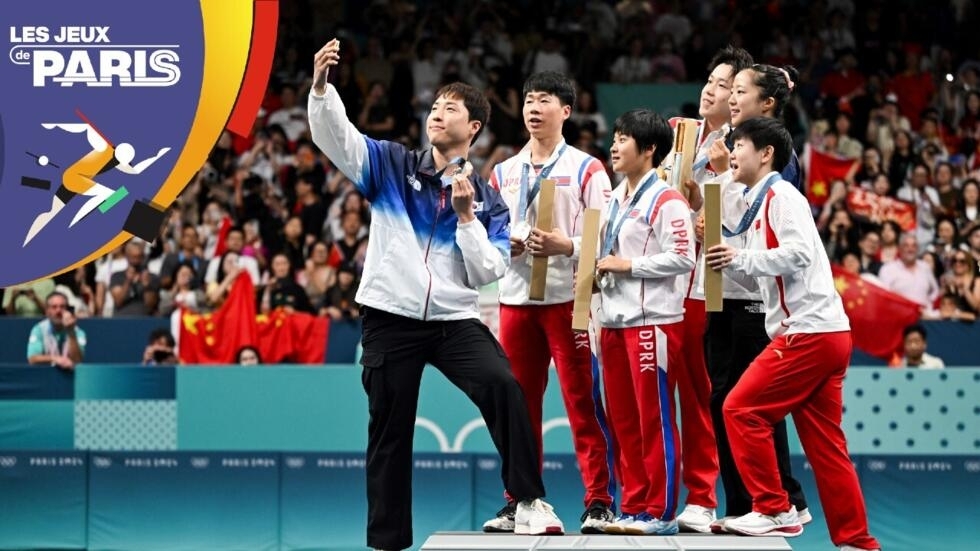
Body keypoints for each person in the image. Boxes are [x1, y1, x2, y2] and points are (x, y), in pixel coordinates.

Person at [308, 38, 563, 551]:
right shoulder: (391, 165)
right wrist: (320, 88)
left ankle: (529, 502)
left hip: (453, 320)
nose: (437, 114)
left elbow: (488, 270)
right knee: (390, 431)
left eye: (451, 109)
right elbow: (339, 138)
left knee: (503, 386)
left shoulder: (487, 198)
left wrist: (468, 218)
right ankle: (387, 542)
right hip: (390, 317)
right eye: (435, 107)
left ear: (473, 127)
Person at [705, 117, 881, 550]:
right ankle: (858, 542)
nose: (732, 152)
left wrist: (741, 257)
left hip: (808, 333)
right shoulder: (759, 202)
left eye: (739, 144)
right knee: (827, 449)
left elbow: (799, 254)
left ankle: (773, 507)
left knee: (740, 410)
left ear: (766, 153)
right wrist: (731, 262)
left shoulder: (782, 195)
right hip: (826, 332)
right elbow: (769, 279)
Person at [483, 70, 614, 534]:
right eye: (529, 101)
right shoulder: (502, 171)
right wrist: (510, 243)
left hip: (569, 300)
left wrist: (568, 246)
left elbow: (606, 234)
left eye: (544, 100)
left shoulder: (587, 168)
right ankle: (520, 498)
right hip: (516, 300)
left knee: (582, 400)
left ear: (567, 110)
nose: (534, 108)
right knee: (519, 405)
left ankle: (599, 499)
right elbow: (489, 231)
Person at [702, 62, 812, 531]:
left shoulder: (772, 155)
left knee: (747, 404)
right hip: (721, 292)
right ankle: (746, 503)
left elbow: (767, 231)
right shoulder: (728, 146)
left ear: (765, 103)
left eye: (738, 90)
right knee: (726, 401)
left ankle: (776, 500)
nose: (728, 96)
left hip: (753, 298)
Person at [669, 45, 755, 534]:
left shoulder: (743, 146)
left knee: (704, 396)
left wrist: (717, 184)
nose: (712, 88)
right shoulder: (684, 136)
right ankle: (661, 496)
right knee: (669, 393)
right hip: (667, 282)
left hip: (713, 286)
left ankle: (704, 497)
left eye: (725, 85)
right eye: (711, 79)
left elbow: (742, 218)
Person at [596, 109, 694, 535]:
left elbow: (684, 257)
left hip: (653, 322)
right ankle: (633, 505)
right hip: (614, 323)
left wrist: (627, 265)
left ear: (649, 149)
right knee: (622, 420)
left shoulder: (667, 199)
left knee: (653, 417)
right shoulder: (614, 199)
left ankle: (661, 511)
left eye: (624, 139)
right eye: (614, 137)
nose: (615, 146)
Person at [27, 292, 86, 370]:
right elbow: (32, 359)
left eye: (62, 307)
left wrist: (71, 332)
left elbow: (78, 361)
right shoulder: (39, 329)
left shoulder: (78, 332)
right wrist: (56, 359)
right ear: (47, 311)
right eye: (54, 307)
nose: (58, 311)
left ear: (67, 310)